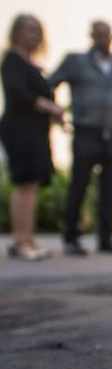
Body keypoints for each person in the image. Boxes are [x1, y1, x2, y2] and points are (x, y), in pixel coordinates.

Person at [48, 20, 112, 256]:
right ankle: (71, 237)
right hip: (87, 131)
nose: (104, 39)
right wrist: (56, 112)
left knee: (109, 190)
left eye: (108, 34)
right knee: (79, 185)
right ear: (91, 36)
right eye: (99, 34)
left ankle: (106, 239)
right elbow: (49, 84)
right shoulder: (76, 62)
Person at [0, 14, 63, 261]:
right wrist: (49, 107)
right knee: (24, 183)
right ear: (16, 32)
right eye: (29, 30)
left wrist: (55, 114)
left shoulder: (32, 64)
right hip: (19, 129)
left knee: (33, 185)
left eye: (37, 30)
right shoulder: (12, 60)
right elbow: (18, 93)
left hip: (36, 131)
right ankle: (19, 241)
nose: (34, 35)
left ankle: (28, 238)